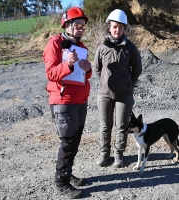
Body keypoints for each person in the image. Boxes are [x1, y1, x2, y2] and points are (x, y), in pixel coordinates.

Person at [42, 7, 92, 199]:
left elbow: (85, 76)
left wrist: (88, 69)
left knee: (75, 140)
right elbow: (51, 74)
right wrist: (67, 64)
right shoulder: (54, 43)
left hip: (80, 100)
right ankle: (61, 182)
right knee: (68, 142)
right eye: (77, 25)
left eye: (83, 26)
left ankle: (67, 173)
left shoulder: (82, 48)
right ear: (67, 25)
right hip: (64, 101)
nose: (80, 29)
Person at [93, 9, 142, 168]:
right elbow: (97, 69)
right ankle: (104, 154)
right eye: (114, 27)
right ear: (109, 27)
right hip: (104, 95)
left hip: (124, 95)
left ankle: (118, 155)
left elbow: (137, 69)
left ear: (124, 29)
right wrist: (104, 82)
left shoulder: (130, 48)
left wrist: (128, 84)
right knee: (105, 126)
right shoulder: (102, 48)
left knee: (121, 126)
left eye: (120, 27)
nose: (117, 30)